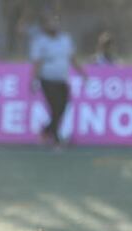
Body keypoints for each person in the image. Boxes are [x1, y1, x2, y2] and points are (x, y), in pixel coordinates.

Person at [30, 13, 87, 148]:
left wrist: (83, 73)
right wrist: (34, 80)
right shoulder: (40, 41)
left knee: (63, 108)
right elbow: (37, 62)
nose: (54, 25)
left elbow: (72, 58)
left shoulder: (65, 39)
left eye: (56, 22)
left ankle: (45, 132)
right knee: (55, 107)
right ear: (45, 25)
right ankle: (56, 139)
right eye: (50, 22)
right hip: (47, 79)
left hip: (62, 79)